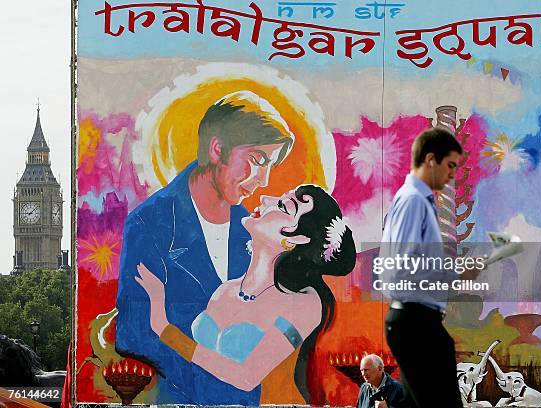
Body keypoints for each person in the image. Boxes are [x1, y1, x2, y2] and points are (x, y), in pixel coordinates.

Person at [115, 91, 294, 404]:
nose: (263, 180)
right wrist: (213, 376)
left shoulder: (252, 231)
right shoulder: (151, 224)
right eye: (257, 159)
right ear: (217, 149)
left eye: (271, 165)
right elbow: (134, 334)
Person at [134, 185, 356, 400]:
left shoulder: (304, 303)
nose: (265, 199)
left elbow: (247, 376)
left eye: (283, 205)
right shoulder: (226, 290)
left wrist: (163, 328)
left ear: (296, 239)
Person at [380, 127, 464, 408]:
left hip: (417, 323)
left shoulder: (417, 201)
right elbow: (399, 268)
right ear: (431, 159)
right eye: (450, 165)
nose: (453, 174)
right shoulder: (414, 201)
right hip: (416, 324)